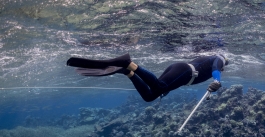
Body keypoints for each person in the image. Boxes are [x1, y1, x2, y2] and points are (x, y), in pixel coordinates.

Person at [66, 53, 229, 102]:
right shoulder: (220, 58)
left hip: (181, 74)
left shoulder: (214, 58)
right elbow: (216, 68)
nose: (225, 64)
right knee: (161, 86)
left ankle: (127, 71)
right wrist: (217, 81)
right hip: (185, 71)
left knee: (151, 96)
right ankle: (128, 63)